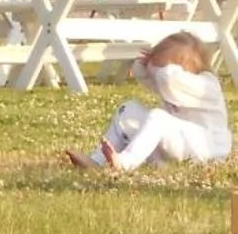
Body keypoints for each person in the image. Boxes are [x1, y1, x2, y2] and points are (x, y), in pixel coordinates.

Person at [68, 31, 230, 171]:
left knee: (158, 117)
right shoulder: (173, 82)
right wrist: (144, 64)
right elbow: (148, 79)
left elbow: (168, 79)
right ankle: (97, 160)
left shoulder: (206, 85)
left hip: (206, 147)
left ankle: (126, 162)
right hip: (178, 144)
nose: (156, 71)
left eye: (161, 65)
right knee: (129, 109)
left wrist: (156, 65)